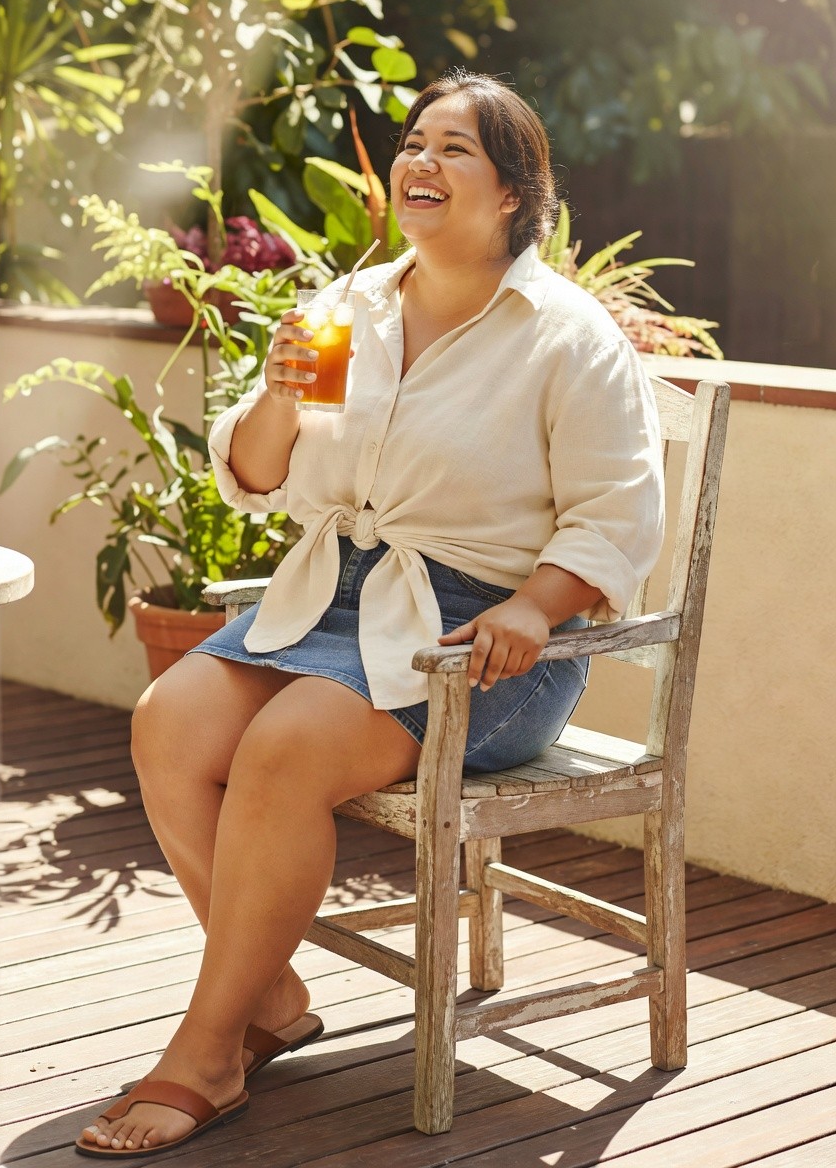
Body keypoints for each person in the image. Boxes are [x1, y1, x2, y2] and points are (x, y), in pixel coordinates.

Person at [76, 71, 664, 1157]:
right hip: (338, 592)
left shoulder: (567, 338)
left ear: (514, 194)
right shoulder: (348, 310)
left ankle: (207, 1050)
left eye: (456, 149)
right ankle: (273, 992)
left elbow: (616, 515)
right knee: (170, 721)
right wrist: (283, 393)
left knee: (285, 749)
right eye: (413, 143)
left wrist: (538, 605)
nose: (420, 163)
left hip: (487, 639)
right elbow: (256, 478)